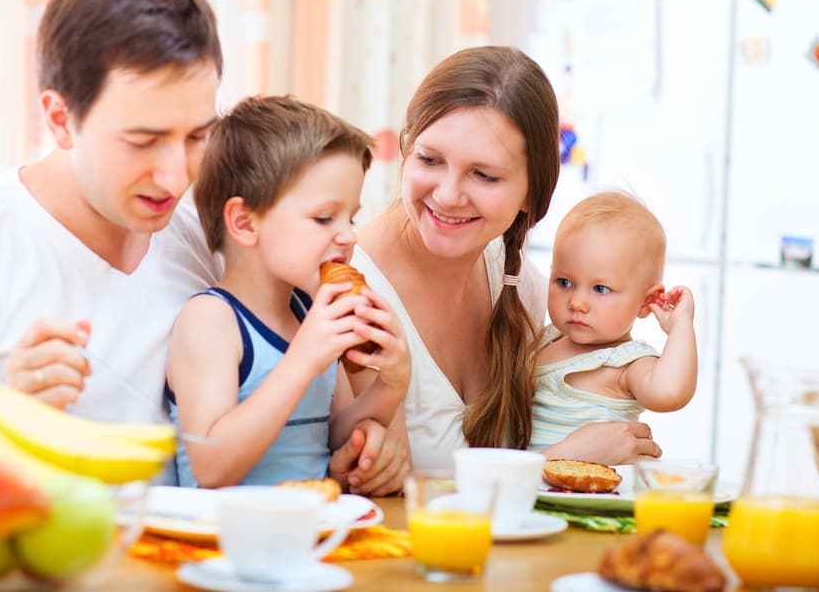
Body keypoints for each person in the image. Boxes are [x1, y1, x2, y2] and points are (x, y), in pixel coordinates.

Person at [0, 0, 404, 494]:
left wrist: (378, 443)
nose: (175, 175)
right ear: (58, 119)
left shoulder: (200, 244)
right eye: (143, 140)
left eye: (195, 137)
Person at [352, 46, 662, 470]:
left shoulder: (517, 280)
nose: (447, 195)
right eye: (429, 159)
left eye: (484, 175)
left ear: (530, 195)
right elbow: (383, 493)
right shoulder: (352, 292)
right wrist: (559, 460)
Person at [165, 96, 411, 488]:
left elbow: (335, 437)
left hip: (314, 530)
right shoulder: (212, 321)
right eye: (323, 218)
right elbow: (210, 468)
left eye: (351, 217)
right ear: (245, 223)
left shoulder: (310, 313)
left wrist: (391, 385)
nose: (348, 235)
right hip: (226, 541)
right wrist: (303, 360)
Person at [528, 191, 697, 451]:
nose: (577, 302)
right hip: (536, 482)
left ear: (645, 302)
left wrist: (681, 327)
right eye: (564, 282)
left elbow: (669, 393)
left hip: (597, 490)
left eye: (600, 289)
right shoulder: (547, 339)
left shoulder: (626, 362)